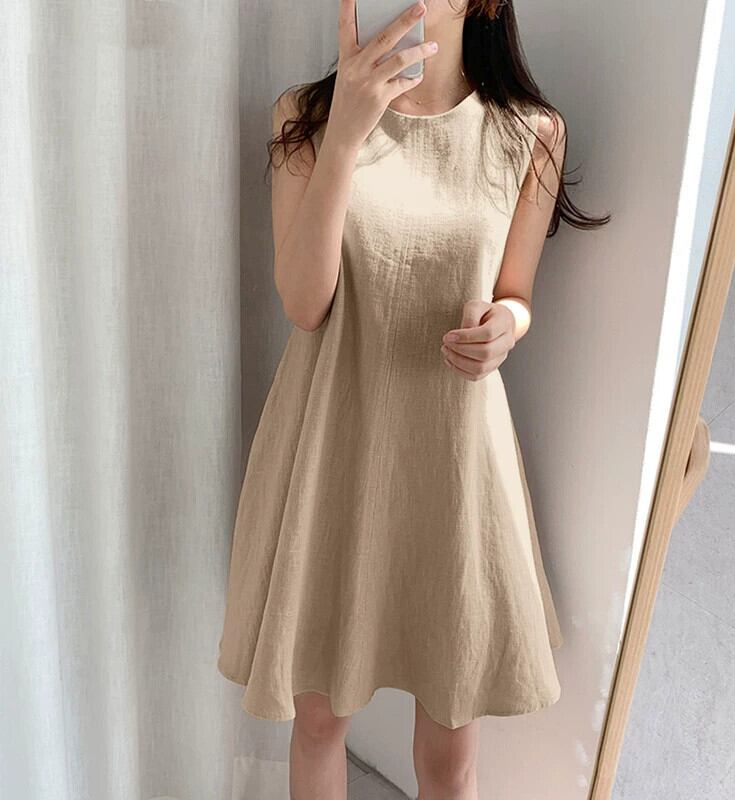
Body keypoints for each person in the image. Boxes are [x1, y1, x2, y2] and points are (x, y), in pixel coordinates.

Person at [217, 1, 609, 798]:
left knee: (449, 752)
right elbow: (305, 303)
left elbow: (516, 293)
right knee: (318, 722)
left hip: (452, 457)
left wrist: (506, 328)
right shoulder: (305, 117)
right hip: (332, 447)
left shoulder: (529, 132)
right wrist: (347, 131)